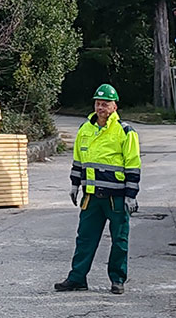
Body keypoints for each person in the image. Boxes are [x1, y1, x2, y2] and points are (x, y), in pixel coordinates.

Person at [54, 84, 141, 295]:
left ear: (114, 106)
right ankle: (77, 279)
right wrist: (75, 184)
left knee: (119, 240)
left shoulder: (125, 132)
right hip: (91, 196)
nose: (100, 108)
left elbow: (133, 165)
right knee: (85, 238)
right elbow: (78, 160)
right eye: (98, 104)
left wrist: (131, 196)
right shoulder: (85, 129)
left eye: (105, 104)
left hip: (116, 197)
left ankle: (117, 279)